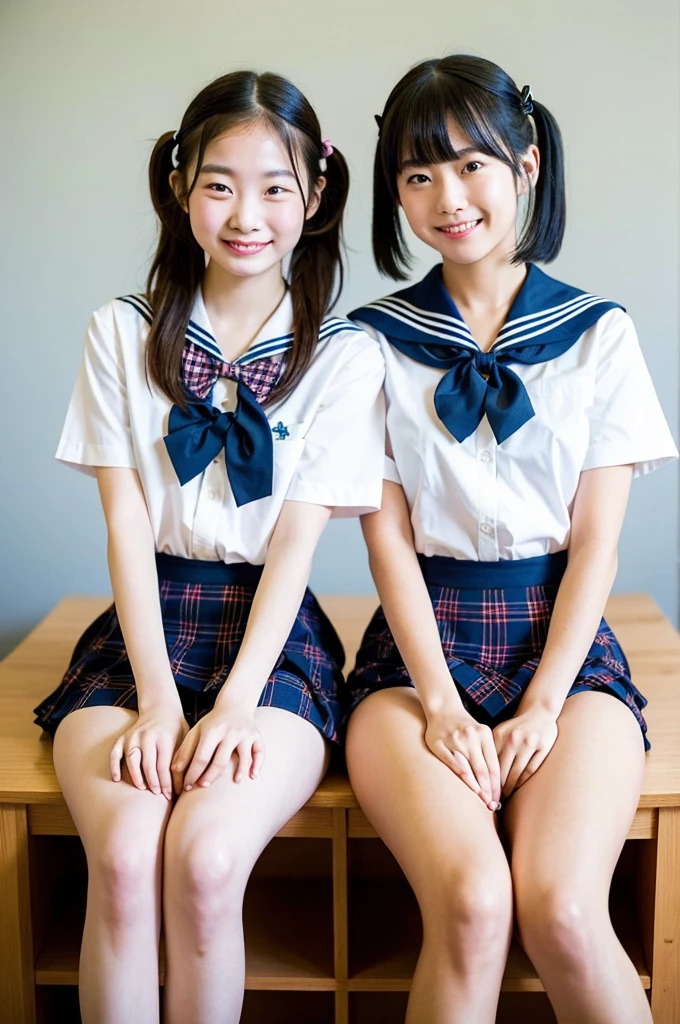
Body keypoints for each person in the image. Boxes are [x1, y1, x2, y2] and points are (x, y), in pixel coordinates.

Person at [34, 70, 384, 1024]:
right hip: (142, 631)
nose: (246, 213)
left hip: (273, 647)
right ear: (180, 187)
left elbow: (298, 547)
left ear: (315, 196)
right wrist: (154, 699)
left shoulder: (345, 354)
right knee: (121, 853)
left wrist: (232, 704)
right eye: (220, 182)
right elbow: (125, 526)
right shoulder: (121, 331)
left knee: (205, 858)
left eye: (276, 185)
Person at [345, 54, 677, 1024]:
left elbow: (596, 547)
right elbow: (387, 545)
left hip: (564, 657)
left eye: (469, 164)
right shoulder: (370, 342)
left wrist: (539, 703)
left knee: (564, 909)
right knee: (472, 900)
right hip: (415, 663)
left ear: (525, 164)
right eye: (416, 175)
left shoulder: (597, 335)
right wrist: (442, 703)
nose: (446, 196)